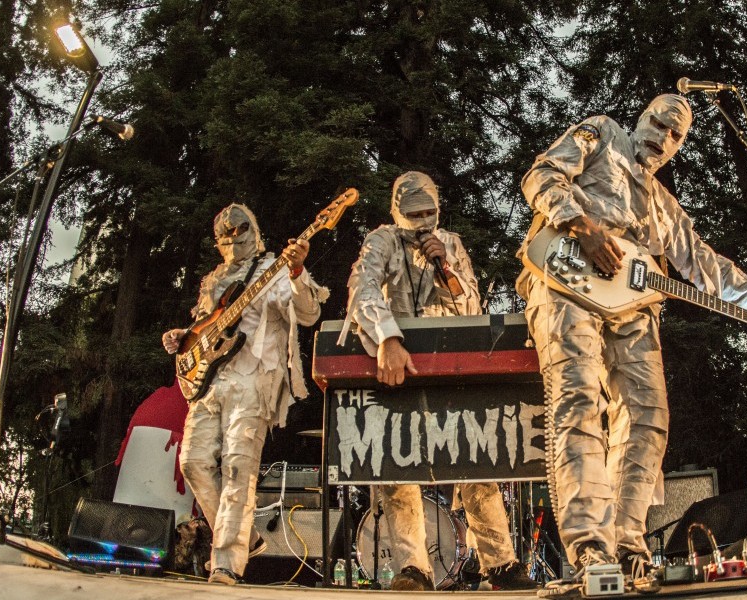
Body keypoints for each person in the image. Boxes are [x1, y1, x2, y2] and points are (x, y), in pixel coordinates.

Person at [517, 94, 747, 591]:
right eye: (658, 123)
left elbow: (702, 263)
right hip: (565, 281)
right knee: (577, 402)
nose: (661, 137)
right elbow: (541, 176)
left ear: (678, 147)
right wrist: (584, 226)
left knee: (648, 416)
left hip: (635, 307)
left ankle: (626, 544)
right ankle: (589, 548)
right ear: (640, 116)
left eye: (674, 135)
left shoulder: (663, 204)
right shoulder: (600, 133)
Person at [342, 171, 536, 591]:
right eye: (414, 214)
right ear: (397, 211)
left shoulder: (450, 242)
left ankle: (499, 563)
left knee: (479, 459)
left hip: (454, 366)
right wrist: (387, 337)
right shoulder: (382, 241)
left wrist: (445, 265)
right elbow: (362, 290)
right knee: (398, 465)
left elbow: (472, 302)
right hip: (399, 363)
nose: (423, 221)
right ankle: (414, 568)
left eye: (429, 212)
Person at [162, 203, 328, 585]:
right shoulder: (214, 280)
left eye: (241, 231)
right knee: (193, 462)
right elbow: (207, 327)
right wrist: (183, 338)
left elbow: (308, 313)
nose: (234, 239)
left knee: (239, 467)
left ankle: (226, 563)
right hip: (211, 382)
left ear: (254, 230)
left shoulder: (274, 267)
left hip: (255, 377)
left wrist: (298, 270)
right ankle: (248, 537)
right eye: (226, 235)